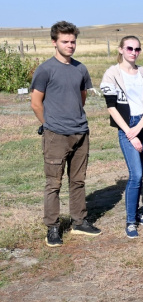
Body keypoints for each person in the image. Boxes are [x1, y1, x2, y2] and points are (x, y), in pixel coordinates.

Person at [30, 21, 101, 247]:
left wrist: (74, 117)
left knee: (78, 181)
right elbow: (35, 102)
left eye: (73, 41)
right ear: (54, 42)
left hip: (81, 132)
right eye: (65, 41)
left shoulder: (81, 68)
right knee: (54, 183)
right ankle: (52, 227)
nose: (70, 45)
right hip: (56, 135)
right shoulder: (45, 69)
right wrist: (49, 124)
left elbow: (82, 96)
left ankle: (79, 221)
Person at [100, 36, 143, 238]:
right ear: (121, 50)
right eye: (130, 48)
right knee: (136, 175)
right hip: (127, 127)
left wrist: (141, 126)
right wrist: (130, 132)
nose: (134, 52)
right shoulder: (112, 74)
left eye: (137, 49)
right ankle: (130, 221)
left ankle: (137, 213)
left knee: (141, 170)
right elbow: (111, 107)